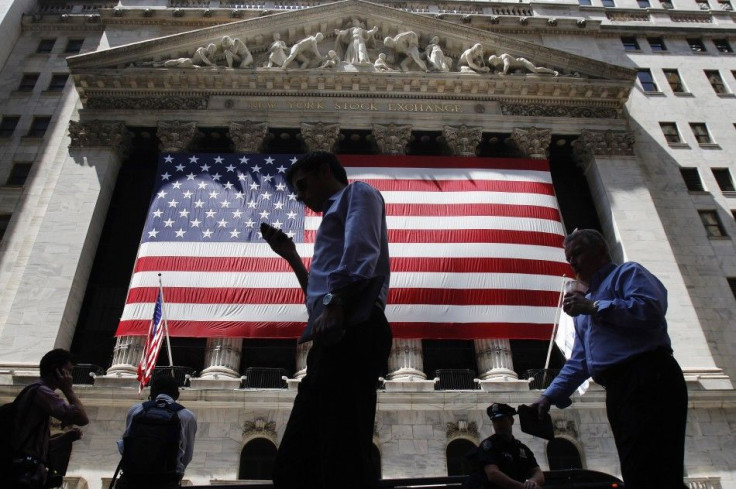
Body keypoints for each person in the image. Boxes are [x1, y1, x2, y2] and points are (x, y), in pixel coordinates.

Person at [263, 150, 391, 489]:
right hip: (333, 332)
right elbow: (316, 303)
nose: (301, 197)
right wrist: (291, 257)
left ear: (324, 171)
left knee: (343, 448)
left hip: (355, 325)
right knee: (298, 458)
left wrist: (336, 304)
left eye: (303, 186)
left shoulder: (357, 193)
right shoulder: (329, 221)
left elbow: (362, 252)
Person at [530, 229, 688, 489]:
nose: (572, 263)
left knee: (656, 469)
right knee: (637, 468)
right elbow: (580, 361)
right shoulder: (586, 305)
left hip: (649, 376)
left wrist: (594, 308)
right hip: (618, 389)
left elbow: (650, 310)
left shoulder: (628, 274)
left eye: (577, 254)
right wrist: (548, 396)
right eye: (569, 257)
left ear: (600, 251)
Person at [2, 348, 89, 489]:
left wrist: (64, 438)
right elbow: (82, 418)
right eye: (68, 372)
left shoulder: (34, 392)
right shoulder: (41, 392)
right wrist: (68, 390)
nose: (70, 377)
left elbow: (36, 447)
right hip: (22, 472)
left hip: (25, 469)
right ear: (57, 371)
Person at [116, 375, 197, 489]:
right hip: (165, 481)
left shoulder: (136, 410)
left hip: (131, 479)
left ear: (152, 392)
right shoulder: (187, 416)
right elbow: (187, 455)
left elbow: (126, 443)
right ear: (177, 395)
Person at [465, 403, 544, 489]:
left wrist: (532, 482)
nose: (498, 424)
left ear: (511, 420)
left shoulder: (521, 448)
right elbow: (493, 474)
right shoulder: (489, 445)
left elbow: (537, 472)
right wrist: (521, 487)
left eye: (501, 420)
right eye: (495, 421)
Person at [487, 54, 557, 76]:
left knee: (535, 70)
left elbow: (507, 64)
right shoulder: (500, 62)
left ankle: (553, 72)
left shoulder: (504, 56)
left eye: (492, 62)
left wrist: (504, 72)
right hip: (517, 68)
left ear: (495, 59)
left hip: (522, 62)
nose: (493, 64)